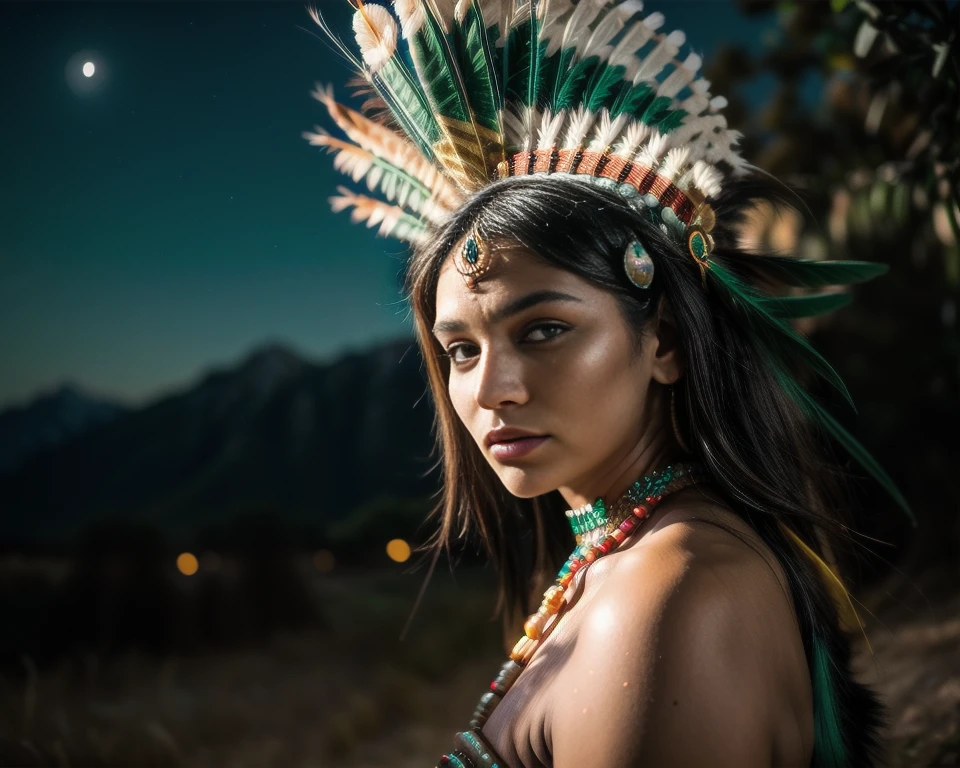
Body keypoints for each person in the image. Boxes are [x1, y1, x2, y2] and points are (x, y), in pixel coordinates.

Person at [306, 1, 910, 765]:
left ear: (665, 341)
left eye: (544, 330)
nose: (492, 389)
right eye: (459, 350)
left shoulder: (666, 596)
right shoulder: (645, 562)